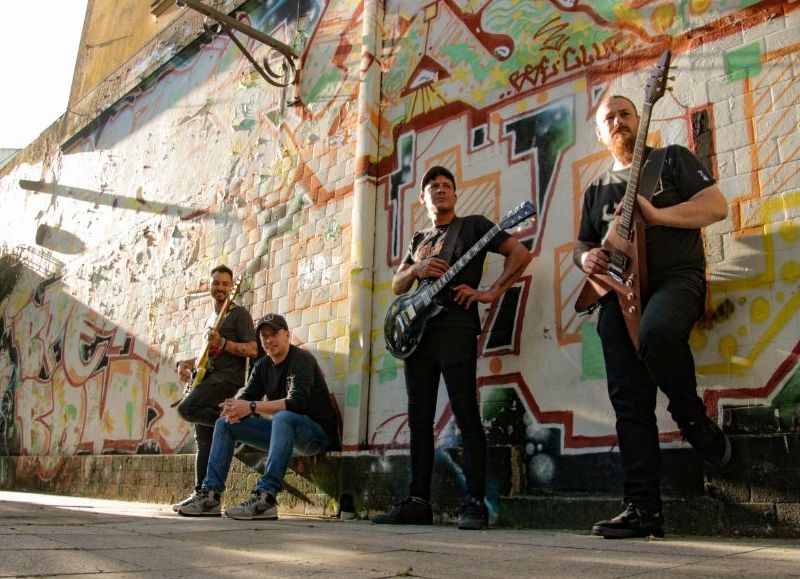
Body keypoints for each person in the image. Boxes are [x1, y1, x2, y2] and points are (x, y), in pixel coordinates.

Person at [574, 95, 731, 539]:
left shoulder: (671, 160)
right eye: (609, 118)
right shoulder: (596, 190)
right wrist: (584, 260)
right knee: (628, 400)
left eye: (625, 114)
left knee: (659, 333)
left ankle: (692, 419)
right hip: (618, 296)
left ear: (639, 121)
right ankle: (642, 508)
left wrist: (657, 215)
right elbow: (582, 246)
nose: (619, 121)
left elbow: (716, 207)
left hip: (675, 280)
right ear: (601, 134)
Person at [372, 165, 532, 530]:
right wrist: (417, 268)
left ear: (455, 195)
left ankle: (474, 504)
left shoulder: (473, 226)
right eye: (433, 186)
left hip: (456, 328)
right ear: (423, 198)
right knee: (418, 420)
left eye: (447, 186)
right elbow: (398, 286)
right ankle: (417, 502)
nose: (441, 190)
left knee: (465, 415)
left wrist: (491, 291)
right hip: (416, 336)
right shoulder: (418, 240)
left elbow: (520, 254)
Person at [176, 313, 341, 519]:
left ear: (287, 335)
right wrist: (232, 408)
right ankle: (210, 496)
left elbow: (296, 403)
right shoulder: (262, 366)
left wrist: (251, 407)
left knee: (283, 417)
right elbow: (246, 397)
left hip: (315, 436)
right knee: (224, 423)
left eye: (274, 334)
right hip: (283, 437)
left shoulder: (302, 359)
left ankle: (266, 498)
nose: (269, 340)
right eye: (264, 336)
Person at [172, 265, 258, 512]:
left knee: (188, 408)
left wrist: (225, 342)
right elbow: (204, 356)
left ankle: (237, 431)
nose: (220, 288)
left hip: (227, 381)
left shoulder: (239, 314)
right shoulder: (211, 319)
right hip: (207, 380)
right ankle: (205, 495)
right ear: (210, 286)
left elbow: (252, 349)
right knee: (203, 440)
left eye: (225, 284)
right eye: (216, 283)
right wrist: (183, 364)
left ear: (232, 288)